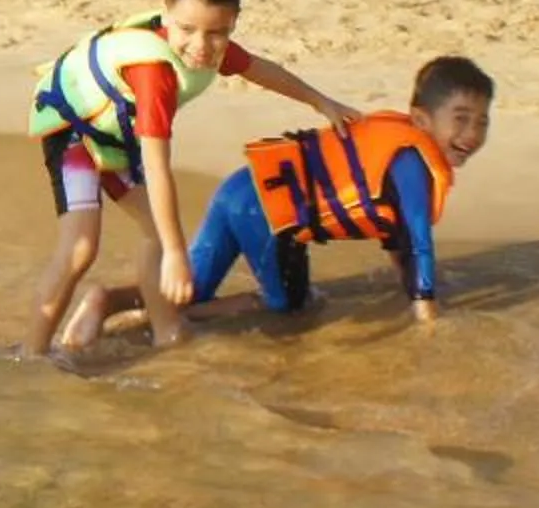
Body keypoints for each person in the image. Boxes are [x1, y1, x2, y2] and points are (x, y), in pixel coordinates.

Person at [25, 0, 355, 357]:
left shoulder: (207, 46)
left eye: (217, 32)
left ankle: (167, 332)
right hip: (74, 131)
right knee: (81, 249)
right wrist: (179, 254)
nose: (200, 46)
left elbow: (261, 69)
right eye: (187, 29)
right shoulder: (155, 76)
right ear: (165, 15)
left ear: (233, 22)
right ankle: (29, 356)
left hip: (116, 135)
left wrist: (322, 102)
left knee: (158, 232)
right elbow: (158, 168)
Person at [187, 55, 495, 323]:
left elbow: (396, 233)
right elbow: (418, 240)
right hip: (265, 215)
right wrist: (425, 307)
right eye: (461, 119)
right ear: (421, 119)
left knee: (187, 290)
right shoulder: (412, 164)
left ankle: (155, 312)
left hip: (239, 187)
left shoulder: (400, 149)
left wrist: (408, 281)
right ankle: (180, 317)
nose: (472, 134)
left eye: (481, 122)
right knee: (293, 308)